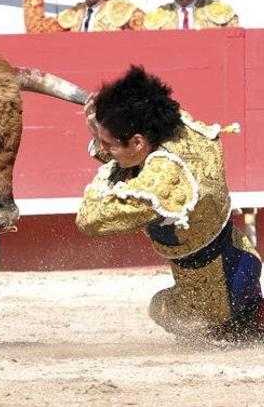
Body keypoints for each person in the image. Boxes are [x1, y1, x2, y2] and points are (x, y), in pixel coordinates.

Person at [76, 66, 262, 341]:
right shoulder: (180, 126)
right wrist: (110, 119)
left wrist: (106, 152)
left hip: (214, 301)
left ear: (139, 142)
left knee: (159, 307)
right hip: (243, 256)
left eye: (107, 143)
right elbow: (137, 150)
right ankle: (253, 313)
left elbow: (88, 219)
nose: (103, 149)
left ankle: (224, 330)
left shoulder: (162, 182)